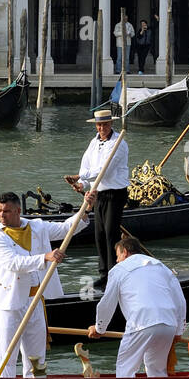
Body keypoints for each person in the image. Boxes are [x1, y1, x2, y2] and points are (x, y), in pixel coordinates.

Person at [0, 190, 92, 379]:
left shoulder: (37, 226)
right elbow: (12, 263)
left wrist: (85, 208)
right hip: (10, 304)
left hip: (35, 300)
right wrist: (45, 257)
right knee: (6, 356)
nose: (2, 215)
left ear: (18, 211)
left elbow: (65, 228)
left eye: (7, 211)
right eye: (0, 210)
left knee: (36, 357)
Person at [89, 236, 187, 378]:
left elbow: (107, 303)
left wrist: (99, 328)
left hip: (141, 323)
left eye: (117, 256)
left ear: (125, 252)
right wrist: (178, 330)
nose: (116, 260)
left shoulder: (119, 269)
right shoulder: (161, 266)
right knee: (157, 370)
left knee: (125, 369)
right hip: (168, 324)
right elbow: (180, 300)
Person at [68, 108, 129, 291]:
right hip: (99, 193)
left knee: (111, 233)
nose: (102, 128)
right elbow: (87, 166)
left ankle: (114, 274)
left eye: (105, 124)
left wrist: (80, 176)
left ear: (111, 124)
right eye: (99, 125)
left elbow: (105, 170)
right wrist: (83, 184)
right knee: (99, 234)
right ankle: (104, 274)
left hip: (116, 193)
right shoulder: (93, 143)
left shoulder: (119, 143)